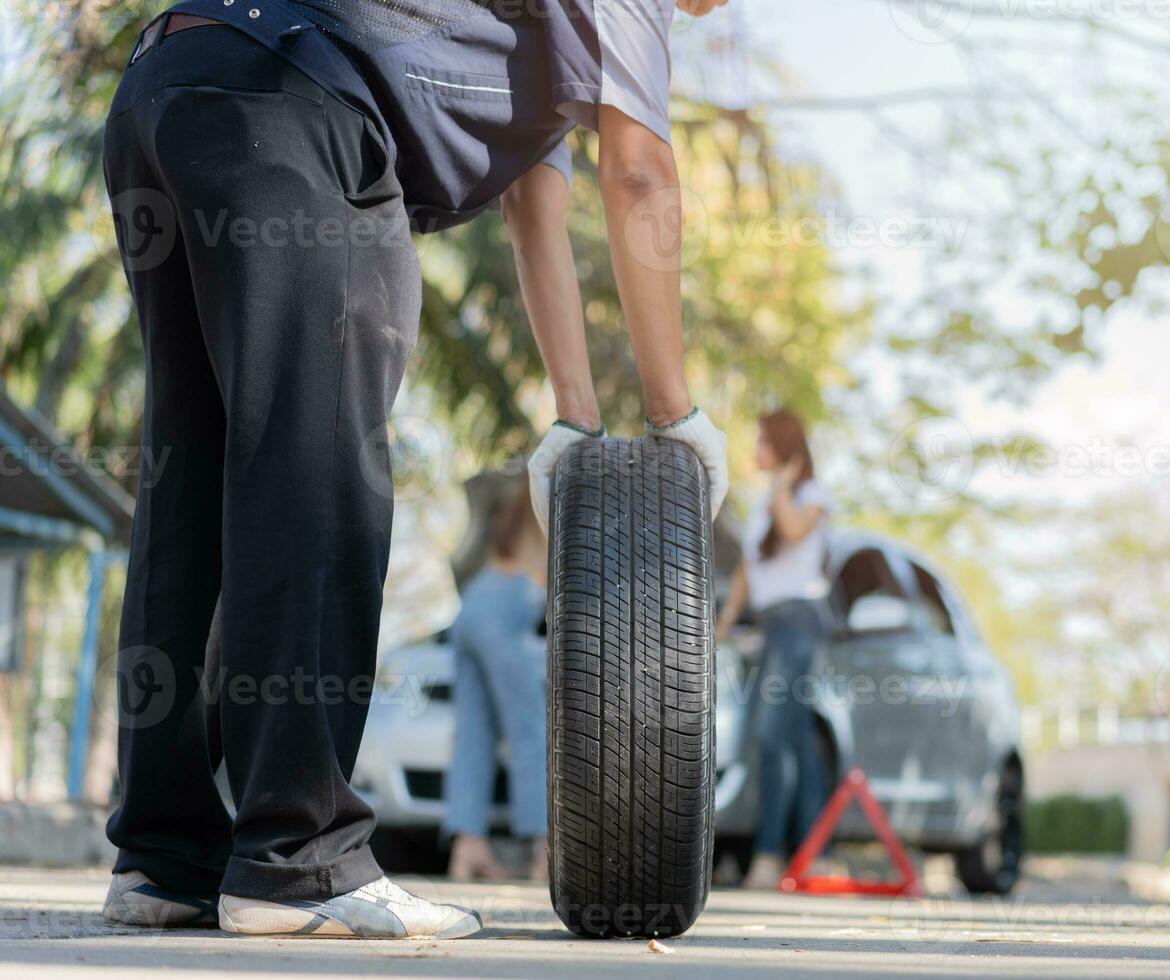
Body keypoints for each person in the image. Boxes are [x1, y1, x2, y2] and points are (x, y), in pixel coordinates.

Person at [100, 0, 728, 939]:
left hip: (170, 83)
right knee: (315, 472)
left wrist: (577, 419)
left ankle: (165, 856)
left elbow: (534, 204)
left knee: (189, 474)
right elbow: (637, 176)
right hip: (300, 109)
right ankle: (296, 860)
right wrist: (677, 410)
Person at [715, 410, 833, 890]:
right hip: (773, 625)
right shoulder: (764, 504)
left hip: (800, 621)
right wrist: (724, 621)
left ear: (784, 448)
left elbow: (794, 532)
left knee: (769, 736)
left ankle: (767, 855)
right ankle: (814, 855)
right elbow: (747, 569)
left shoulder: (810, 497)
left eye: (762, 442)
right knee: (799, 743)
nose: (755, 450)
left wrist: (783, 485)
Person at [443, 486, 549, 882]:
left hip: (473, 603)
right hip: (505, 607)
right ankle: (545, 850)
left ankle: (466, 847)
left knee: (474, 733)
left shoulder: (515, 507)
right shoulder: (555, 499)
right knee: (529, 730)